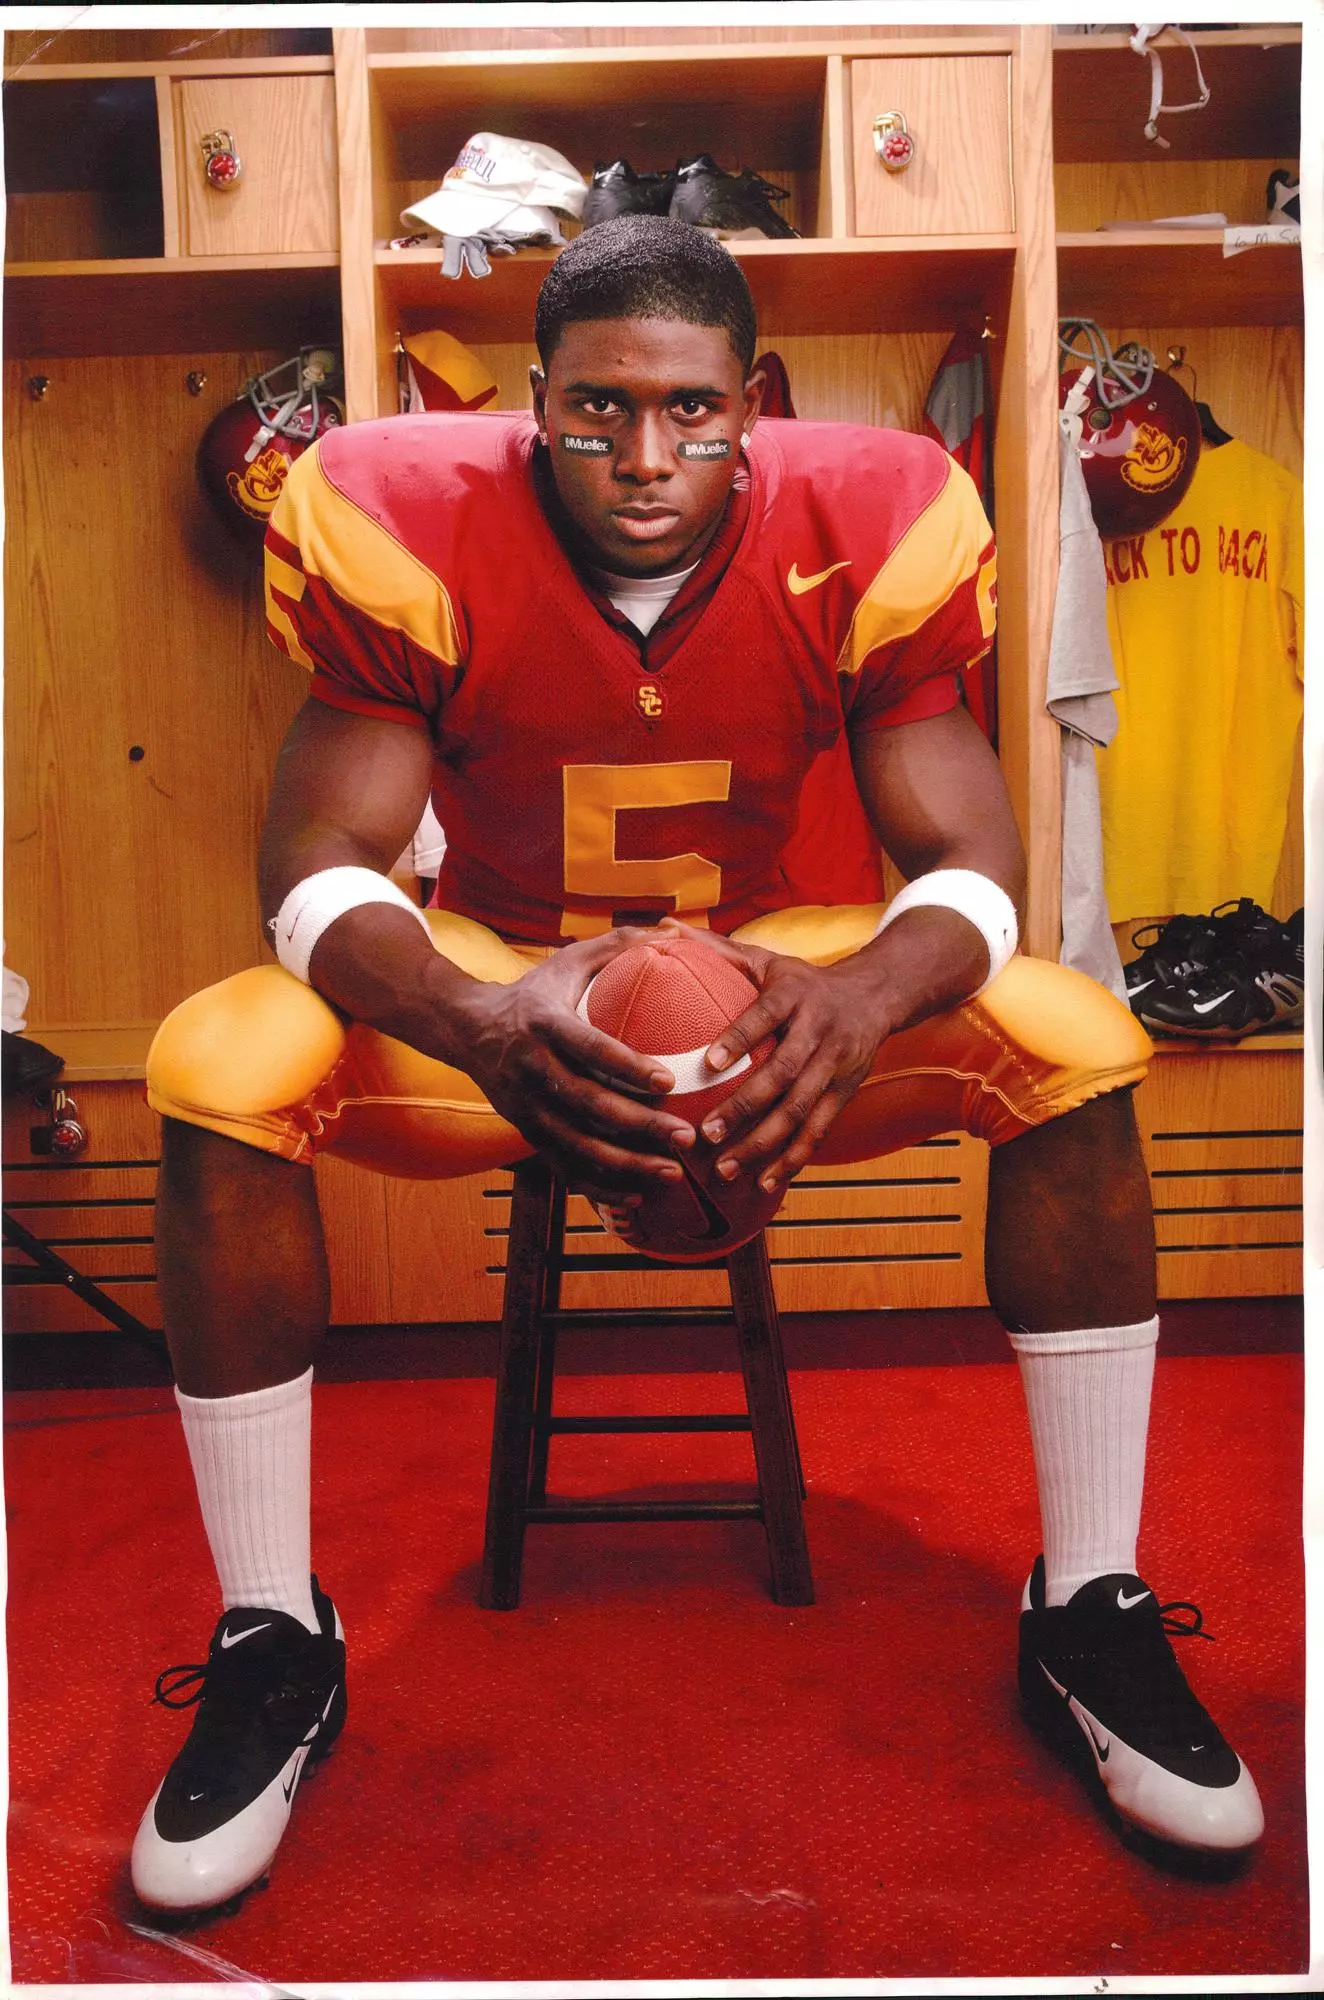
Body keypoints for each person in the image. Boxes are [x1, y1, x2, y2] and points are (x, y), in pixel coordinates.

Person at [131, 216, 1263, 1914]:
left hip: (780, 958)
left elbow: (970, 856)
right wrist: (477, 1021)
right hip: (506, 968)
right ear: (535, 402)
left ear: (758, 400)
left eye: (689, 411)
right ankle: (273, 1631)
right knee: (216, 1061)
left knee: (1080, 1042)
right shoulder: (397, 509)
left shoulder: (876, 513)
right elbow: (315, 861)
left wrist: (865, 998)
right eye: (596, 410)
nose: (645, 457)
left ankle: (1088, 1603)